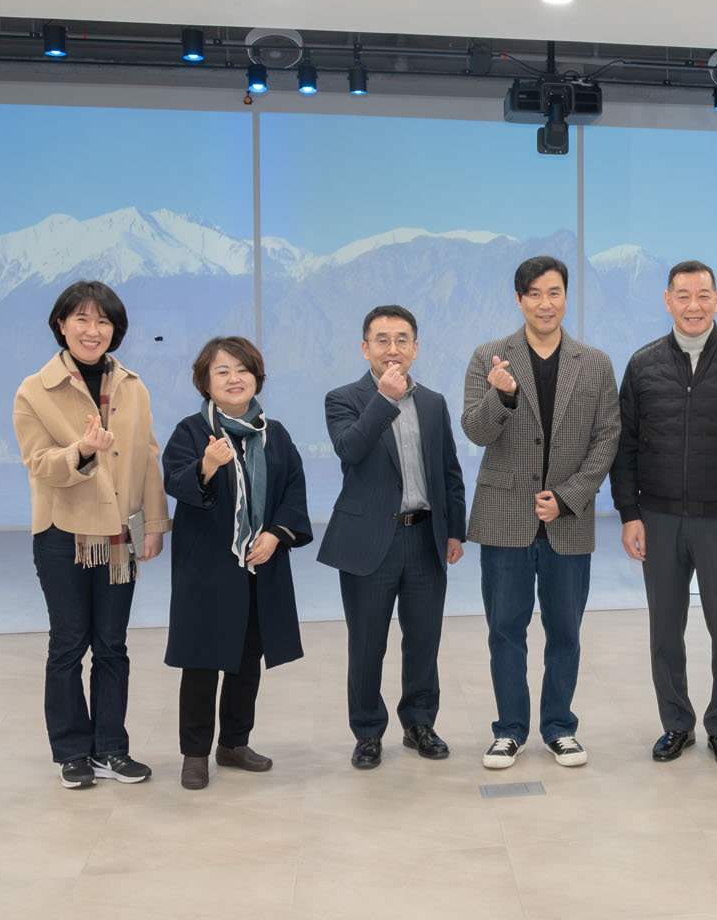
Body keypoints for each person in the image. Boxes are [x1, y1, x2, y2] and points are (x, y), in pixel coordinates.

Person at [611, 260, 717, 768]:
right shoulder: (643, 364)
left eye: (703, 295)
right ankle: (676, 724)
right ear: (667, 301)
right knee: (665, 630)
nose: (693, 305)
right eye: (683, 295)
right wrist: (629, 513)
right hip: (659, 518)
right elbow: (625, 445)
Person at [462, 256, 619, 769]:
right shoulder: (490, 357)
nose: (544, 303)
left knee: (565, 633)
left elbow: (608, 437)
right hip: (504, 516)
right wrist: (501, 396)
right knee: (505, 630)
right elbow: (475, 430)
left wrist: (569, 496)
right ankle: (509, 731)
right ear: (519, 300)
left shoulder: (594, 363)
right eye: (534, 294)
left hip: (567, 520)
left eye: (554, 293)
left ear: (566, 297)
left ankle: (559, 728)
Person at [13, 280, 169, 789]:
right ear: (61, 324)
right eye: (81, 318)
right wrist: (81, 450)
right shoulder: (34, 390)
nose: (92, 329)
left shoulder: (133, 386)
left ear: (114, 330)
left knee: (112, 646)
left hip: (120, 534)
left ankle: (111, 749)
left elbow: (147, 459)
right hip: (63, 535)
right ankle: (72, 752)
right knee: (68, 644)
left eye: (103, 321)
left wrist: (153, 525)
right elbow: (39, 464)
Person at [319, 305, 467, 768]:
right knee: (367, 643)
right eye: (382, 340)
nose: (392, 348)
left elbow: (449, 471)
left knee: (424, 640)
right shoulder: (343, 398)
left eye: (402, 340)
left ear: (415, 348)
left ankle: (419, 723)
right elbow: (350, 449)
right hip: (368, 542)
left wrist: (455, 531)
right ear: (365, 348)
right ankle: (367, 732)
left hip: (424, 538)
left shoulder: (433, 402)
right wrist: (383, 399)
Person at [162, 337, 312, 790]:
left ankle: (233, 744)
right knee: (202, 661)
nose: (234, 378)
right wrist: (206, 466)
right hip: (207, 567)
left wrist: (275, 535)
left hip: (260, 566)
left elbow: (294, 491)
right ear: (205, 383)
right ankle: (194, 754)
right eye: (222, 371)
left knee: (247, 660)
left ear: (256, 378)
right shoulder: (192, 431)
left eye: (243, 369)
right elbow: (176, 481)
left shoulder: (274, 434)